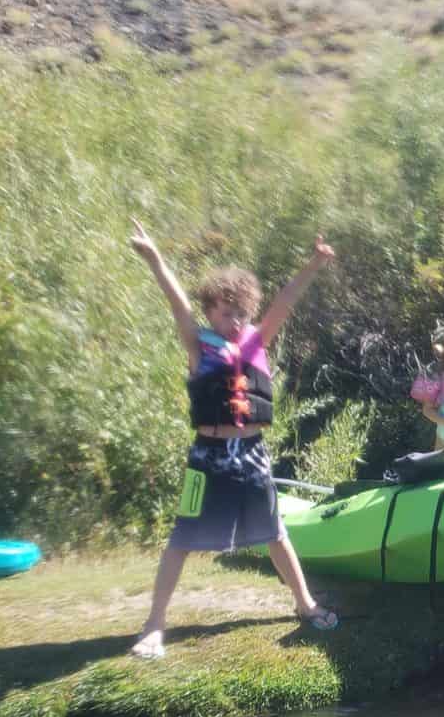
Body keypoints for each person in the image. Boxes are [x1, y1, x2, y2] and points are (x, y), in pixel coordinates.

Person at [127, 219, 340, 660]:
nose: (235, 320)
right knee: (183, 538)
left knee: (275, 533)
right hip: (208, 456)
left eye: (241, 312)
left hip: (252, 455)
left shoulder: (258, 341)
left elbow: (285, 300)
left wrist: (313, 266)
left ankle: (305, 604)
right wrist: (155, 260)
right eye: (226, 312)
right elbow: (176, 302)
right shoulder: (197, 344)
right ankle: (153, 625)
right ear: (211, 313)